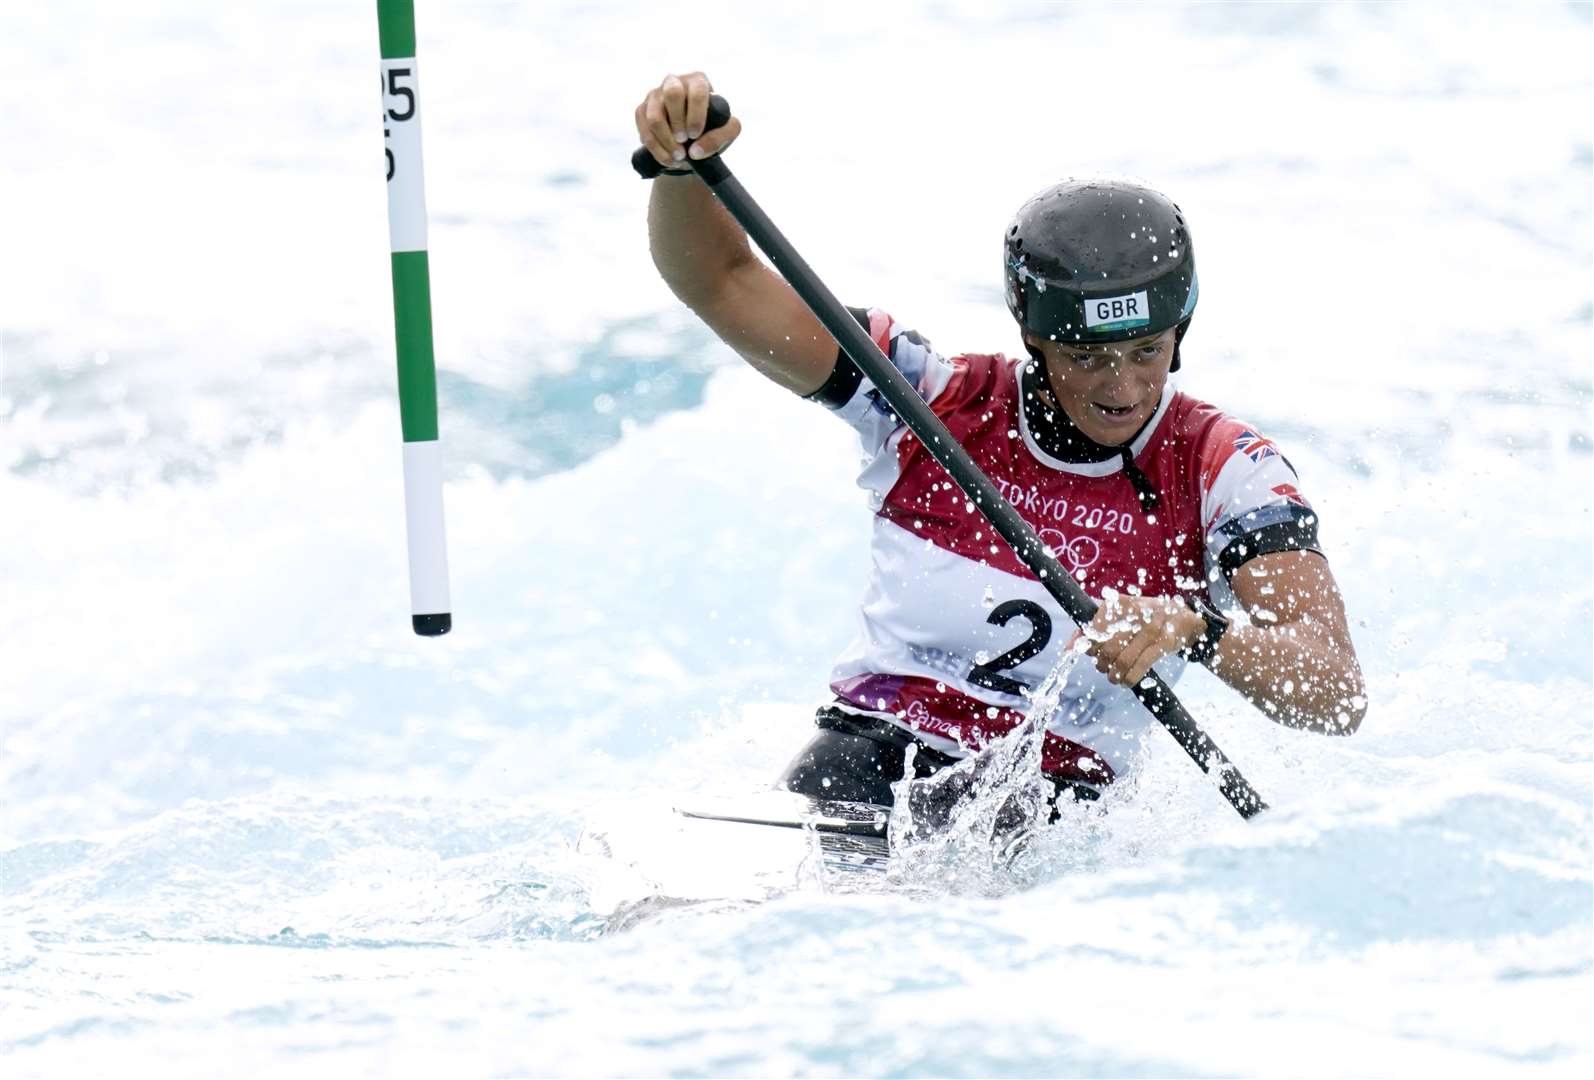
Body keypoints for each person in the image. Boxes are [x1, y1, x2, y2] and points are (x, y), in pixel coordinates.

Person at [637, 73, 1366, 811]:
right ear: (1034, 338)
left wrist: (1196, 630)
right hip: (866, 755)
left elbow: (1335, 693)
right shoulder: (930, 401)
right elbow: (723, 282)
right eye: (1086, 358)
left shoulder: (1222, 469)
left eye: (1146, 350)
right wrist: (677, 169)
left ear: (1181, 333)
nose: (1121, 388)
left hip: (1049, 803)